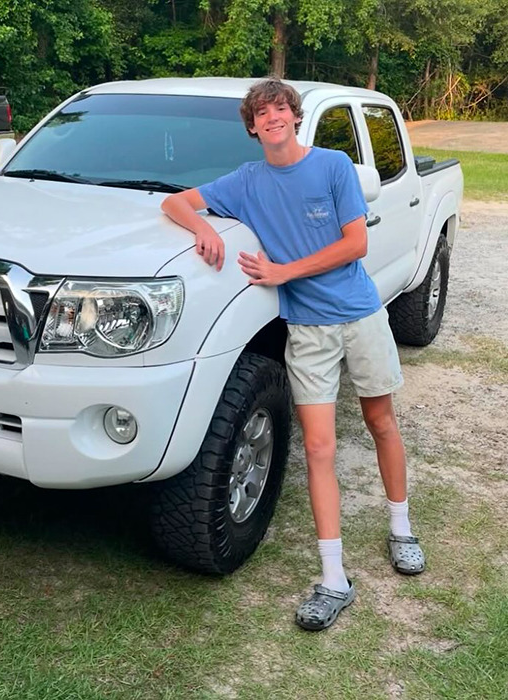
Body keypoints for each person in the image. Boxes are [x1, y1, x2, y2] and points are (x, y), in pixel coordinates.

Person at [161, 77, 425, 631]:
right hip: (306, 329)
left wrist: (284, 272)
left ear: (294, 117)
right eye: (263, 112)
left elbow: (357, 243)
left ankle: (402, 530)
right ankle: (334, 579)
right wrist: (201, 230)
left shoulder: (331, 166)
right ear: (253, 126)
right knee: (319, 447)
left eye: (282, 108)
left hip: (359, 313)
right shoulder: (247, 181)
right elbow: (176, 201)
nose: (274, 118)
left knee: (381, 422)